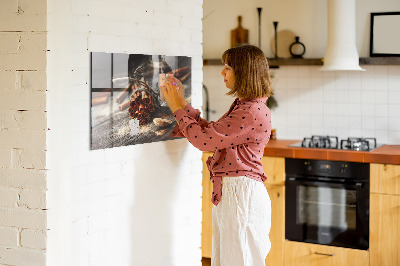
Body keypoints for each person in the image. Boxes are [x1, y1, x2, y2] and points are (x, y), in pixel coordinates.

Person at [160, 44, 273, 266]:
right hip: (235, 193)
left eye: (228, 67)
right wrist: (182, 104)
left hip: (241, 195)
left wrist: (176, 108)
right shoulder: (246, 106)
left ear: (244, 71)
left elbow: (204, 141)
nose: (222, 72)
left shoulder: (250, 111)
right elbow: (212, 133)